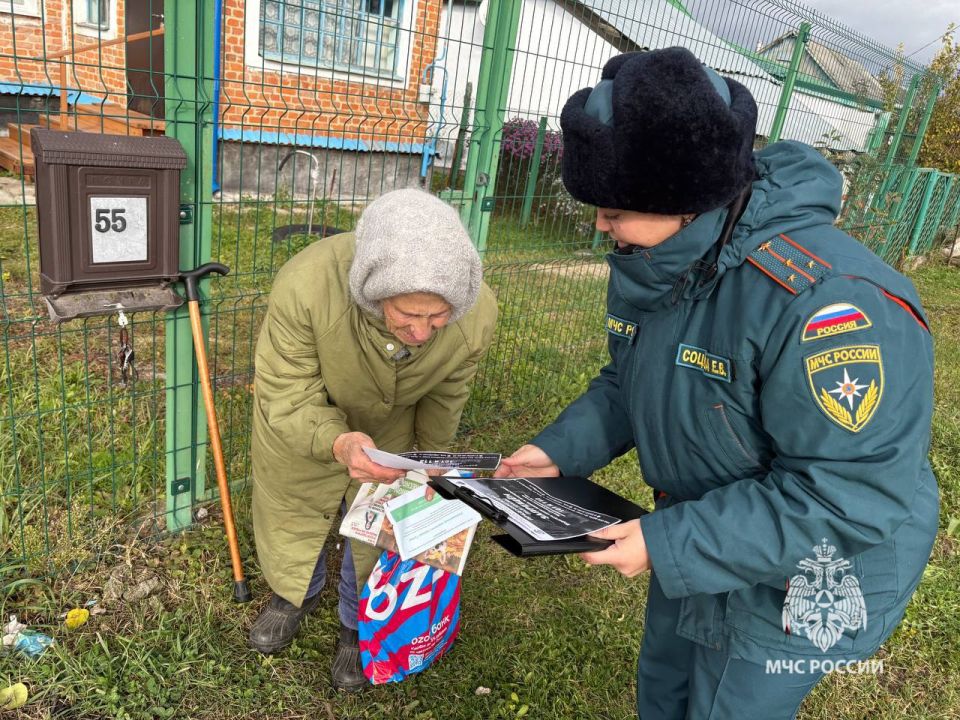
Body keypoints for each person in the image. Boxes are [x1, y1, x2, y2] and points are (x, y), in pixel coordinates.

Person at [496, 47, 938, 719]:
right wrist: (562, 451)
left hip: (804, 573)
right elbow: (635, 376)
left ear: (683, 202)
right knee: (665, 694)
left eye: (613, 211)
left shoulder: (832, 306)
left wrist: (671, 543)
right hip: (703, 529)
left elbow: (850, 495)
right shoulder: (664, 257)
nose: (599, 226)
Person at [248, 188, 497, 691]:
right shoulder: (305, 284)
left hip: (393, 426)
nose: (424, 333)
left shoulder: (478, 313)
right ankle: (294, 593)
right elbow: (288, 392)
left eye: (438, 317)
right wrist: (338, 443)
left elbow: (447, 394)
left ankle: (358, 621)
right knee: (293, 505)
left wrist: (429, 468)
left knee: (383, 523)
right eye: (408, 315)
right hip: (304, 420)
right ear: (372, 291)